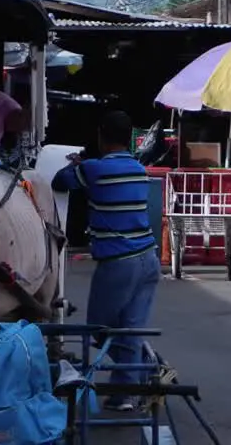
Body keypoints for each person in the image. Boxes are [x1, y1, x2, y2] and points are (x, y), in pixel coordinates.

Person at [51, 110, 159, 413]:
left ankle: (148, 365)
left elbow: (60, 181)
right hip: (148, 259)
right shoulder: (139, 168)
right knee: (131, 329)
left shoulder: (94, 169)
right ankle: (125, 394)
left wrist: (80, 164)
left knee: (98, 329)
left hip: (118, 263)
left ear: (101, 135)